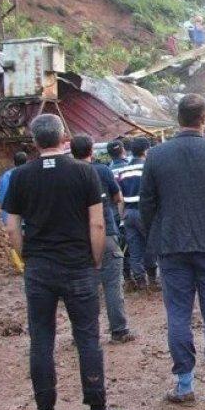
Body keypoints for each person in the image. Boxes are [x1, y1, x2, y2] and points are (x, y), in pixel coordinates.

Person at [3, 114, 122, 410]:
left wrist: (27, 258)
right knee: (87, 337)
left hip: (40, 267)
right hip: (79, 265)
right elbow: (97, 224)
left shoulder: (20, 176)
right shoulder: (84, 173)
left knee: (41, 338)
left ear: (34, 141)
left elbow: (12, 228)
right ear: (63, 137)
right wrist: (95, 260)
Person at [140, 94, 205, 405]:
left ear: (178, 118)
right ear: (204, 118)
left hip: (172, 246)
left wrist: (157, 236)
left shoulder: (156, 156)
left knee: (178, 314)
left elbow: (147, 204)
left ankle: (184, 386)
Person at [71, 135, 134, 344]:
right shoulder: (102, 171)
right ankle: (119, 331)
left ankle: (83, 334)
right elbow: (118, 198)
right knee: (112, 285)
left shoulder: (66, 174)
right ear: (92, 151)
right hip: (106, 233)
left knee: (81, 288)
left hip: (77, 239)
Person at [113, 138, 156, 290]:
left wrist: (122, 217)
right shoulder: (149, 169)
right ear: (146, 150)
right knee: (150, 245)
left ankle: (140, 280)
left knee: (135, 247)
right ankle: (152, 278)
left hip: (128, 213)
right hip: (145, 213)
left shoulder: (123, 171)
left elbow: (120, 198)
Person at [0, 151, 29, 226]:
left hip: (10, 214)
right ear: (27, 161)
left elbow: (2, 194)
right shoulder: (31, 174)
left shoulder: (7, 175)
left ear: (14, 162)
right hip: (27, 215)